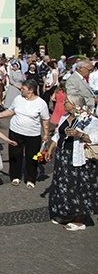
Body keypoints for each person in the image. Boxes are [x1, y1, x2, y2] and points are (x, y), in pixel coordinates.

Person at [46, 94, 98, 230]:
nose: (64, 104)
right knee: (63, 185)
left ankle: (79, 220)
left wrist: (78, 134)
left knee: (77, 187)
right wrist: (50, 150)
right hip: (63, 157)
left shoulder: (87, 120)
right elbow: (57, 135)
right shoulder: (64, 117)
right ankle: (68, 213)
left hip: (78, 158)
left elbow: (94, 137)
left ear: (75, 105)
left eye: (67, 102)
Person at [0, 79, 50, 189]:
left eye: (23, 89)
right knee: (15, 154)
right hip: (16, 131)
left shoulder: (41, 103)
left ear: (31, 91)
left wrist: (46, 134)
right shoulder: (18, 99)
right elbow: (11, 111)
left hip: (32, 134)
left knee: (32, 157)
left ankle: (30, 178)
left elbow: (45, 120)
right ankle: (15, 176)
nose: (21, 90)